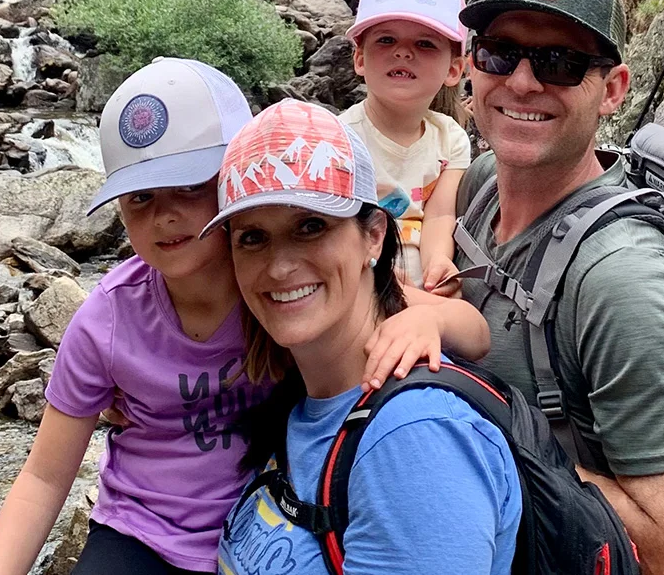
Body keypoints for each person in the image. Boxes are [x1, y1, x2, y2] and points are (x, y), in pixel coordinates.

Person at [0, 58, 496, 575]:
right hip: (144, 532)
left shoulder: (287, 287)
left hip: (264, 520)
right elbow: (45, 477)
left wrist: (427, 324)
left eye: (189, 186)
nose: (165, 214)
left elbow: (469, 328)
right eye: (140, 197)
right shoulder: (111, 319)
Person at [454, 0, 664, 575]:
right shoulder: (483, 183)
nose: (522, 82)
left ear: (612, 90)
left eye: (559, 62)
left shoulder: (622, 282)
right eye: (499, 52)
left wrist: (479, 426)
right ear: (473, 67)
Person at [211, 99, 522, 575]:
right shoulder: (300, 393)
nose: (278, 266)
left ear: (374, 237)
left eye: (311, 227)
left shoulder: (415, 440)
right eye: (253, 237)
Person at [340, 0, 470, 290]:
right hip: (356, 280)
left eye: (425, 44)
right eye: (386, 40)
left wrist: (438, 262)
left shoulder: (451, 140)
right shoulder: (340, 137)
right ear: (360, 59)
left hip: (419, 290)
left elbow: (440, 216)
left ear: (454, 69)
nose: (403, 52)